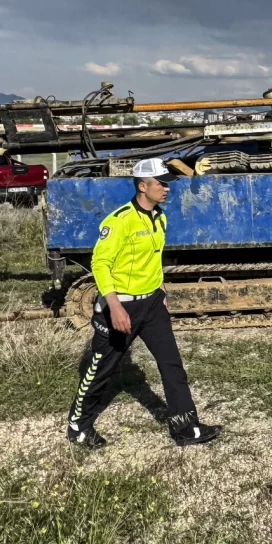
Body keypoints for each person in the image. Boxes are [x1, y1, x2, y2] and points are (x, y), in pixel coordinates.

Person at [65, 158, 221, 449]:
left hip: (152, 305)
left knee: (171, 364)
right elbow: (100, 264)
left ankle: (185, 427)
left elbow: (153, 257)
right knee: (101, 369)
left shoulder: (159, 217)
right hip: (120, 308)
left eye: (167, 183)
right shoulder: (119, 221)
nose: (166, 188)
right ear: (142, 186)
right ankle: (78, 426)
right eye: (161, 183)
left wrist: (159, 290)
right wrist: (114, 306)